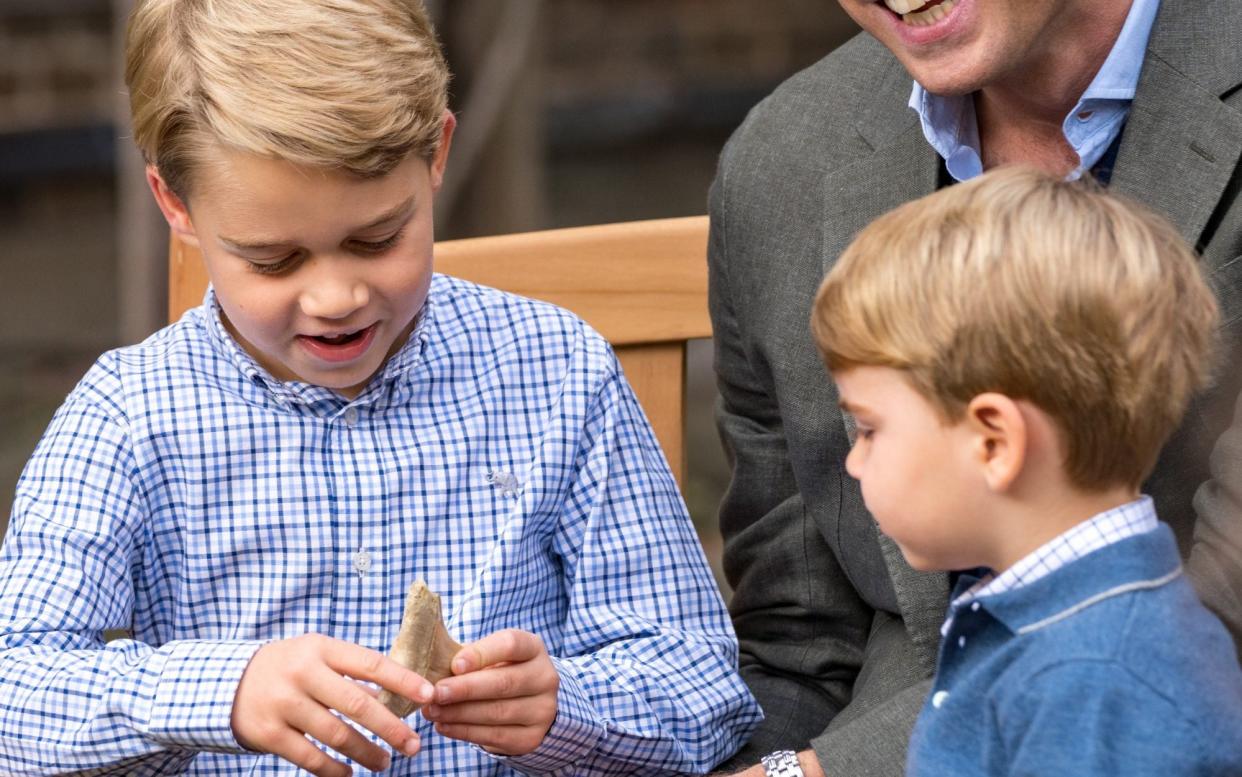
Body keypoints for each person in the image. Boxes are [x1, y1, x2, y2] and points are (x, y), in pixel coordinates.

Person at [0, 0, 761, 774]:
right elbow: (14, 691)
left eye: (378, 238)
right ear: (176, 205)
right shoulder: (127, 417)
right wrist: (224, 689)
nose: (335, 297)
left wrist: (564, 705)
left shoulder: (556, 369)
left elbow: (701, 687)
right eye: (273, 260)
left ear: (436, 153)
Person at [710, 0, 1242, 773]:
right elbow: (802, 644)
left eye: (870, 429)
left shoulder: (1116, 678)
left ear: (997, 436)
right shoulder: (783, 159)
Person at [812, 167, 1242, 775]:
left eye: (870, 428)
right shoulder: (1051, 622)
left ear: (994, 442)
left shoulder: (1098, 686)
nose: (854, 462)